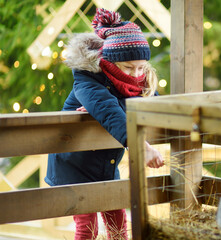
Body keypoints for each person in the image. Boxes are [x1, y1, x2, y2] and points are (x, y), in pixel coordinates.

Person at [45, 8, 164, 240]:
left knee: (118, 221)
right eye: (128, 67)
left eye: (141, 67)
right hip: (73, 165)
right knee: (87, 226)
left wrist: (124, 103)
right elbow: (108, 111)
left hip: (104, 164)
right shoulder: (87, 79)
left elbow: (154, 106)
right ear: (110, 61)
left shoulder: (139, 81)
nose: (136, 74)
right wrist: (143, 147)